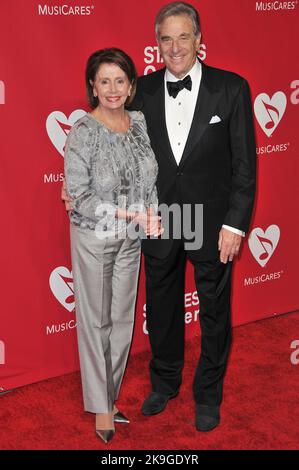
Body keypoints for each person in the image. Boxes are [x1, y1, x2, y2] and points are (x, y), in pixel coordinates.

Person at [63, 2, 256, 433]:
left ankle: (208, 393)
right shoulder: (141, 93)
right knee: (163, 306)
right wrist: (73, 183)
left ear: (198, 39)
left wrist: (236, 223)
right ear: (157, 43)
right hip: (159, 219)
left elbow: (245, 165)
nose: (174, 47)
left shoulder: (232, 88)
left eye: (183, 36)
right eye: (166, 38)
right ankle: (164, 383)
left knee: (214, 310)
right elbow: (111, 142)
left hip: (211, 221)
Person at [64, 47, 162, 443]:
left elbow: (148, 177)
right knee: (96, 322)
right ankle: (101, 408)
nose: (112, 89)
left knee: (122, 323)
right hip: (94, 237)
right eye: (104, 81)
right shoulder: (83, 131)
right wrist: (131, 215)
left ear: (131, 85)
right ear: (93, 85)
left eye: (119, 80)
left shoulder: (138, 122)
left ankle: (109, 394)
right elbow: (79, 196)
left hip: (131, 239)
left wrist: (152, 214)